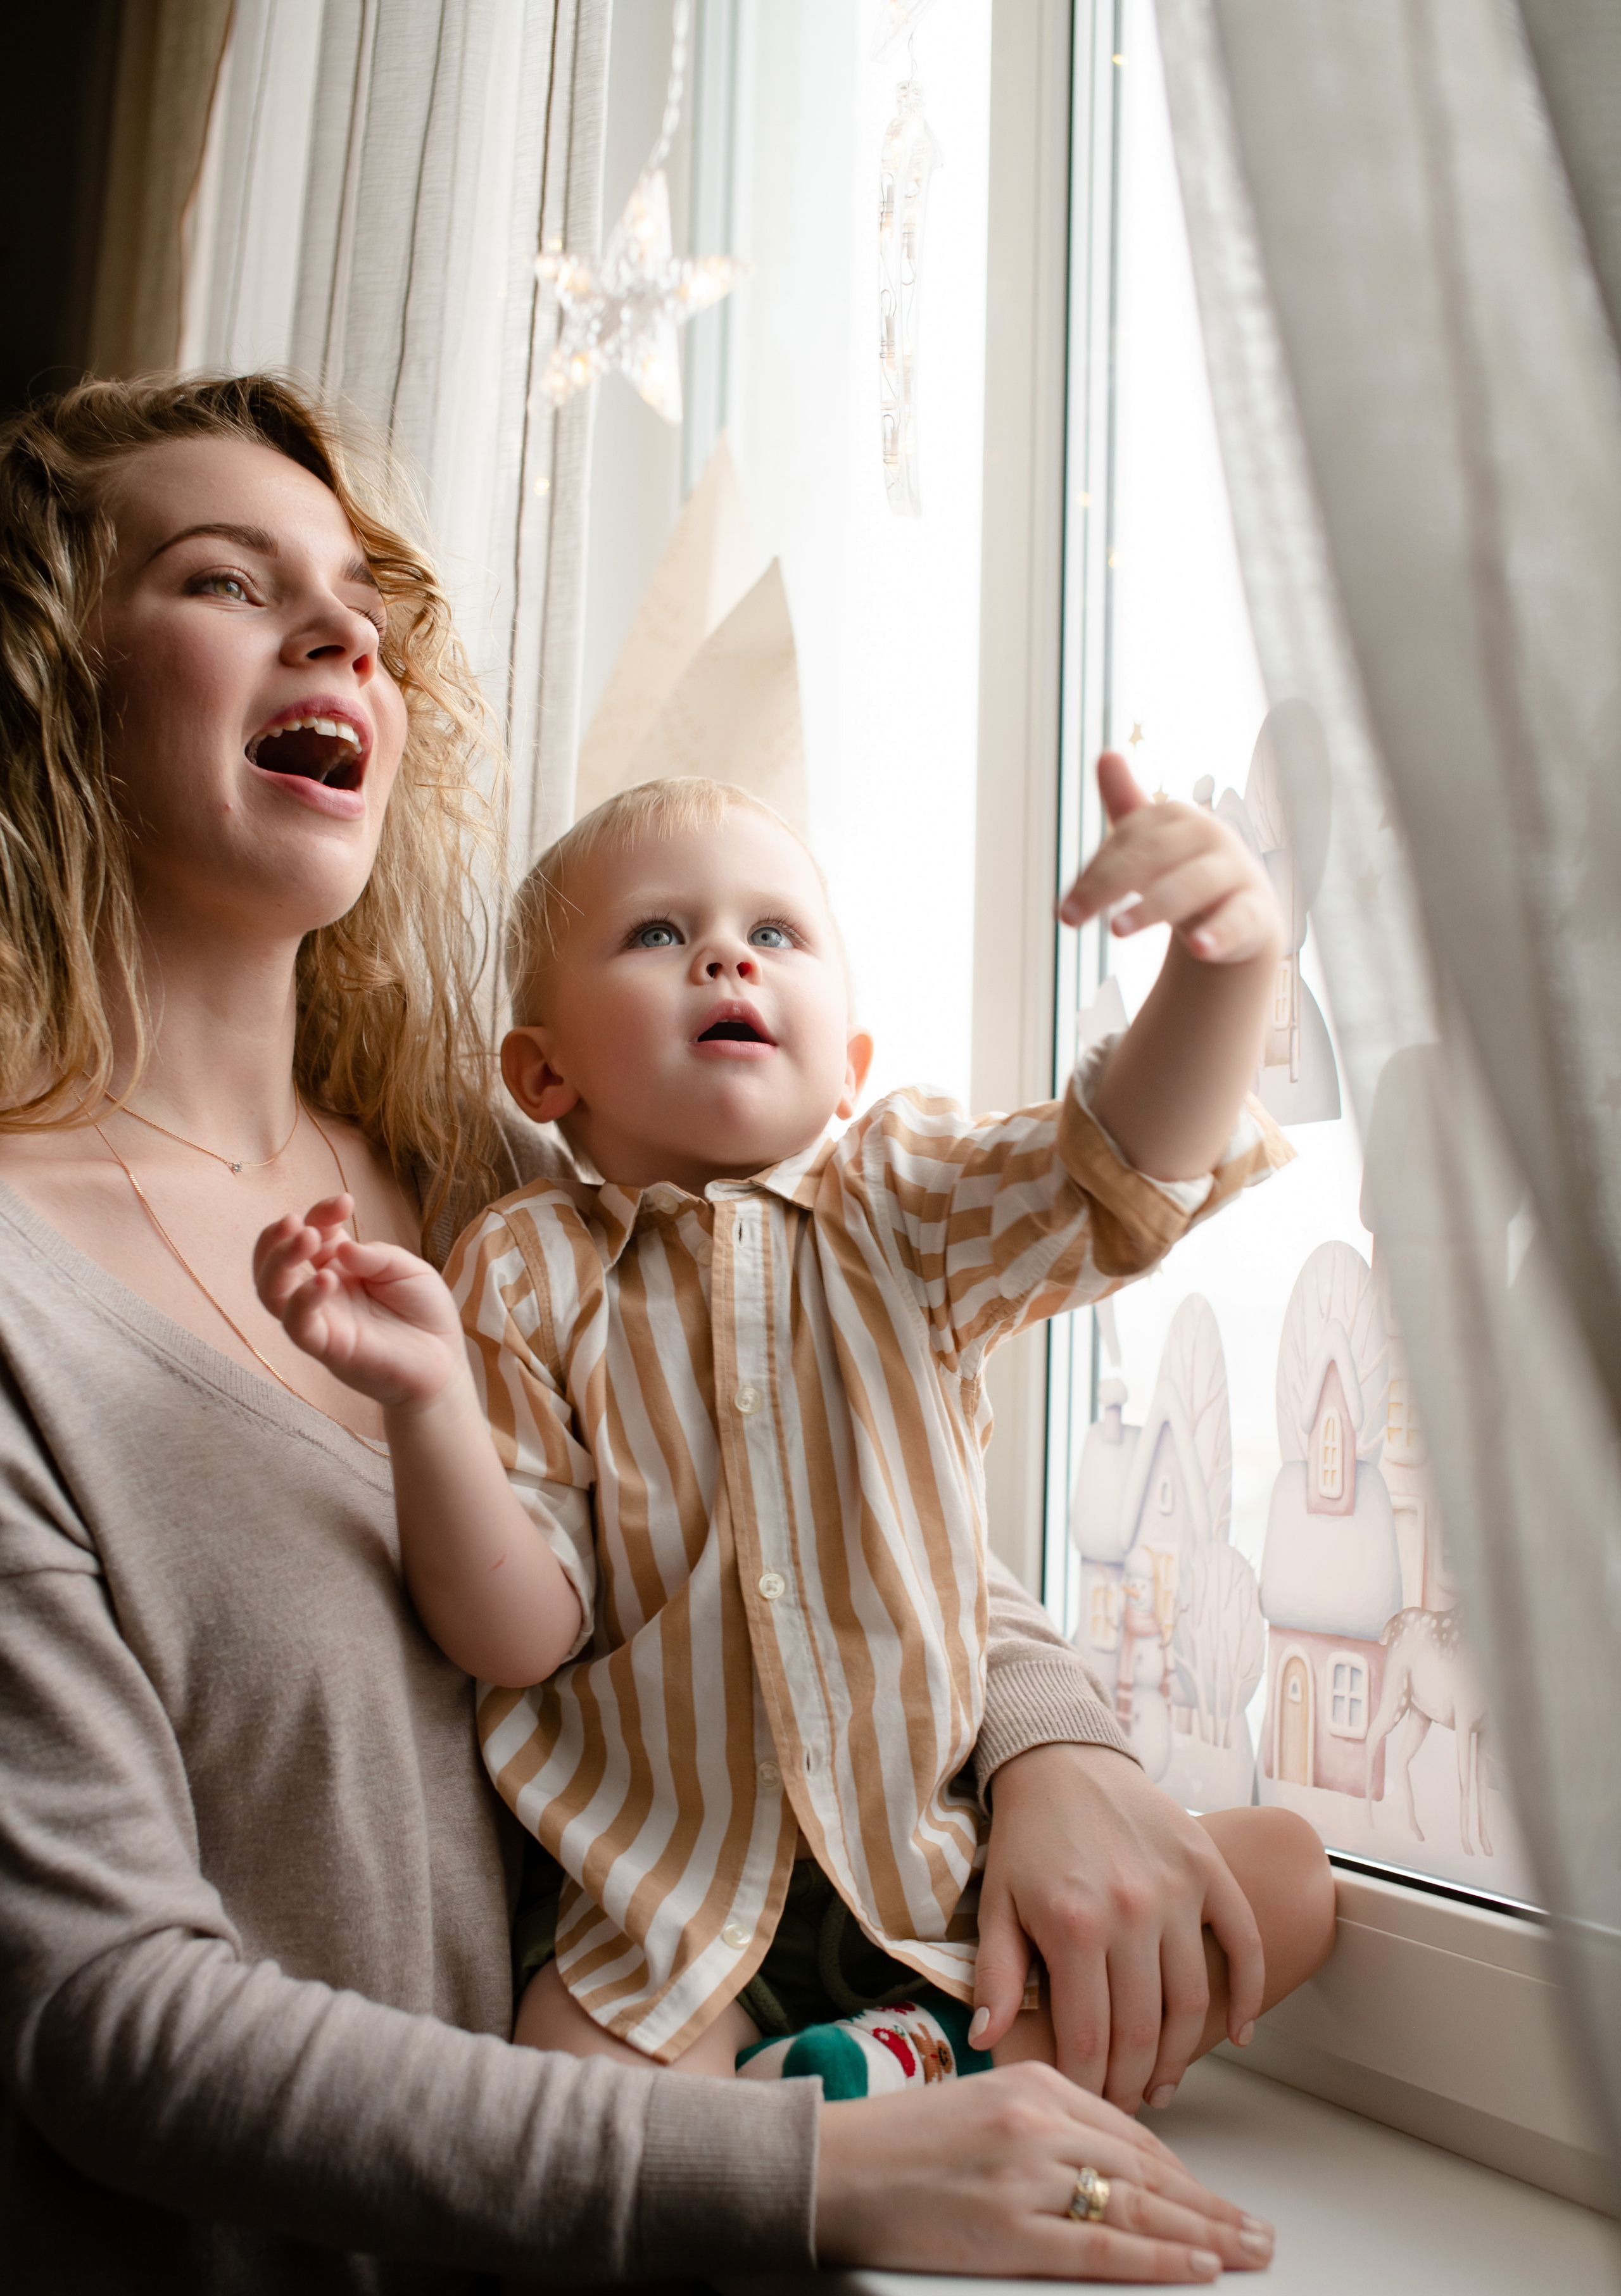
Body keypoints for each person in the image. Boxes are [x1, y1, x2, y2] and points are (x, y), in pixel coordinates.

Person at [0, 372, 1328, 2296]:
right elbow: (106, 2021)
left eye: (360, 601)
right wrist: (807, 2164)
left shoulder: (500, 1192)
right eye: (224, 583)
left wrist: (1053, 1747)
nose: (342, 636)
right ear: (43, 678)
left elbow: (811, 1508)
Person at [256, 769, 1331, 2088]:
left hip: (937, 1879)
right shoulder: (527, 1273)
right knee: (575, 2129)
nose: (724, 954)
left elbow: (1120, 1166)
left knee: (1286, 1879)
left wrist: (1224, 962)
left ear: (848, 1069)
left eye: (775, 934)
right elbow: (518, 1633)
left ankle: (895, 2067)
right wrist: (423, 1402)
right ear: (542, 1073)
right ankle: (902, 2091)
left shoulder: (907, 1203)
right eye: (658, 935)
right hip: (663, 1913)